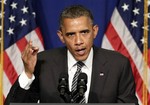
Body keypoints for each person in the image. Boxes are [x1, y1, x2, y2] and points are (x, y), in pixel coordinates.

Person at [5, 5, 139, 105]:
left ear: (94, 31)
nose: (78, 41)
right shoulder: (43, 62)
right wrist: (28, 73)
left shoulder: (118, 64)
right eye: (71, 34)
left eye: (84, 32)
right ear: (61, 36)